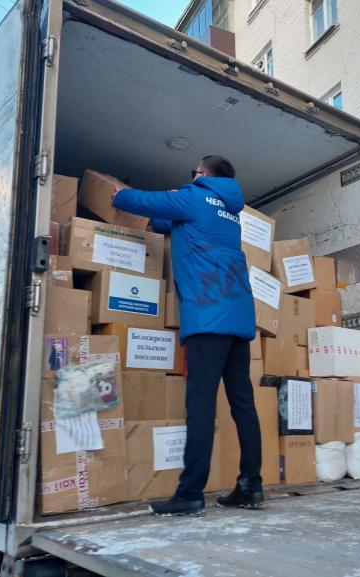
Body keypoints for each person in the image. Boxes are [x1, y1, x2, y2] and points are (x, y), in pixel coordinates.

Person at [113, 155, 264, 516]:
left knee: (200, 405)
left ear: (202, 173)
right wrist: (170, 208)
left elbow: (138, 201)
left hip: (207, 318)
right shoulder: (232, 213)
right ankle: (250, 486)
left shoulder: (193, 196)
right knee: (243, 405)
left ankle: (191, 493)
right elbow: (168, 222)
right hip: (238, 320)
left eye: (194, 172)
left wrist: (117, 194)